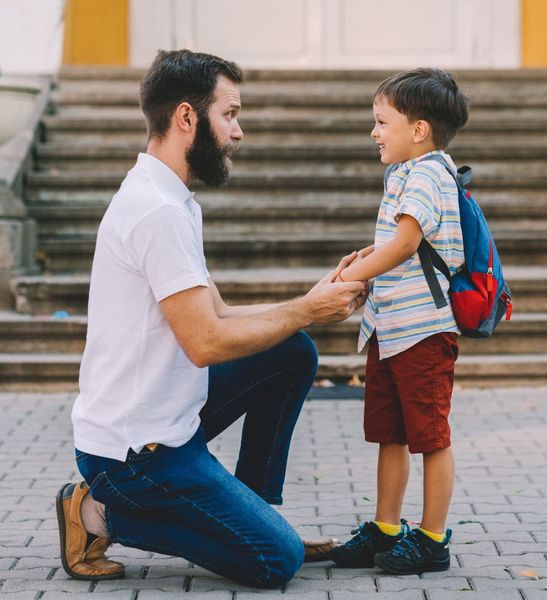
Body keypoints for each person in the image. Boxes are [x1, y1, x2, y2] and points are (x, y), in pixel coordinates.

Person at [55, 49, 367, 589]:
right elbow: (206, 343)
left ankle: (255, 510)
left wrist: (309, 304)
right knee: (275, 562)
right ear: (186, 118)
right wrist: (307, 310)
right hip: (133, 458)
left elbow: (217, 314)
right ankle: (97, 513)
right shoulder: (156, 211)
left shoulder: (172, 200)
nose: (238, 131)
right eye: (230, 114)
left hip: (167, 419)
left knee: (291, 351)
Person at [327, 68, 469, 574]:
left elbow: (408, 244)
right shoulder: (403, 173)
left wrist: (347, 283)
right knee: (391, 432)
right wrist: (365, 256)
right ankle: (387, 527)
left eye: (382, 121)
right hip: (390, 328)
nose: (374, 131)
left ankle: (432, 540)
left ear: (419, 129)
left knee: (430, 435)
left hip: (423, 331)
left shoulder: (431, 171)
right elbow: (400, 241)